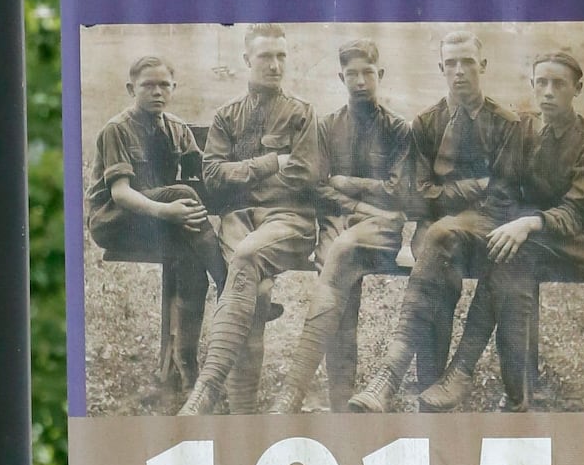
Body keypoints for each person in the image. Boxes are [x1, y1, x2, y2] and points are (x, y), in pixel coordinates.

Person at [419, 48, 584, 411]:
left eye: (559, 84)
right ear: (533, 86)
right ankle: (506, 393)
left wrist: (526, 223)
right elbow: (503, 187)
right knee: (448, 233)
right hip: (521, 225)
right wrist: (501, 222)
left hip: (571, 237)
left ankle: (475, 376)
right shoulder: (524, 127)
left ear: (578, 89)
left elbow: (576, 213)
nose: (549, 92)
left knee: (511, 257)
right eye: (542, 83)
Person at [347, 28, 515, 411]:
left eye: (468, 63)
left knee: (440, 239)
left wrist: (452, 199)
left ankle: (390, 375)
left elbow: (504, 195)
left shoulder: (505, 123)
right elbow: (418, 196)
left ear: (483, 66)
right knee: (437, 249)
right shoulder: (427, 123)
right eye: (451, 63)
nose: (459, 71)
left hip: (487, 229)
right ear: (441, 68)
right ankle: (430, 387)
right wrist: (475, 185)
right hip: (437, 230)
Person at [180, 27, 324, 416]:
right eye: (265, 57)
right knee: (255, 293)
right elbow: (211, 175)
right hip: (239, 220)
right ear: (247, 60)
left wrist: (241, 174)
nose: (275, 65)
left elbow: (305, 174)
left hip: (288, 221)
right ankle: (244, 412)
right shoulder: (227, 116)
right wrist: (268, 163)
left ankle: (207, 388)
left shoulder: (301, 113)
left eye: (281, 56)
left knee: (244, 259)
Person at [273, 39, 411, 413]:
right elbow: (317, 186)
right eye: (352, 74)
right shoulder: (327, 126)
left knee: (341, 255)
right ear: (341, 77)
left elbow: (398, 191)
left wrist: (347, 183)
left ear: (380, 74)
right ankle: (340, 398)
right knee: (337, 273)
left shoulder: (398, 129)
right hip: (339, 223)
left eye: (368, 73)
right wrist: (361, 203)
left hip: (380, 232)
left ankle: (292, 391)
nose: (361, 82)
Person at [86, 54, 226, 404]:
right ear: (131, 88)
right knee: (181, 193)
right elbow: (120, 194)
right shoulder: (117, 129)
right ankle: (230, 284)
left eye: (165, 85)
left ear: (174, 88)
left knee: (193, 265)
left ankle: (185, 367)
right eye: (148, 85)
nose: (157, 92)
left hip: (159, 221)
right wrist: (171, 211)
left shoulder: (177, 128)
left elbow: (201, 176)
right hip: (117, 220)